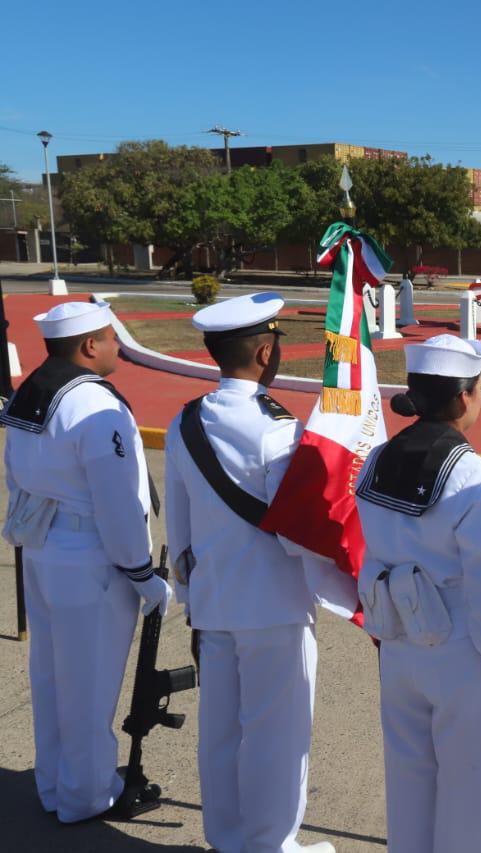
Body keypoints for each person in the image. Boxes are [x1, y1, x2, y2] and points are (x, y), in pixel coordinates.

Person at [355, 335, 481, 852]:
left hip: (397, 643)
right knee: (465, 796)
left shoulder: (376, 459)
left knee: (408, 786)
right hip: (461, 655)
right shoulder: (477, 478)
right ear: (466, 396)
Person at [164, 293, 334, 853]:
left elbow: (179, 526)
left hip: (215, 602)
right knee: (277, 735)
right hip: (275, 607)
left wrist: (192, 596)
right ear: (265, 353)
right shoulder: (277, 428)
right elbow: (296, 531)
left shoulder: (185, 420)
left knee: (221, 734)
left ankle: (229, 838)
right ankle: (272, 844)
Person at [1, 301, 168, 823]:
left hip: (43, 548)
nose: (118, 346)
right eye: (112, 337)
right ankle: (87, 796)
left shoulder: (32, 390)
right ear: (89, 345)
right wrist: (141, 571)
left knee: (53, 682)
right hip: (91, 560)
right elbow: (116, 500)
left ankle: (56, 784)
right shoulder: (94, 402)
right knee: (90, 689)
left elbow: (15, 473)